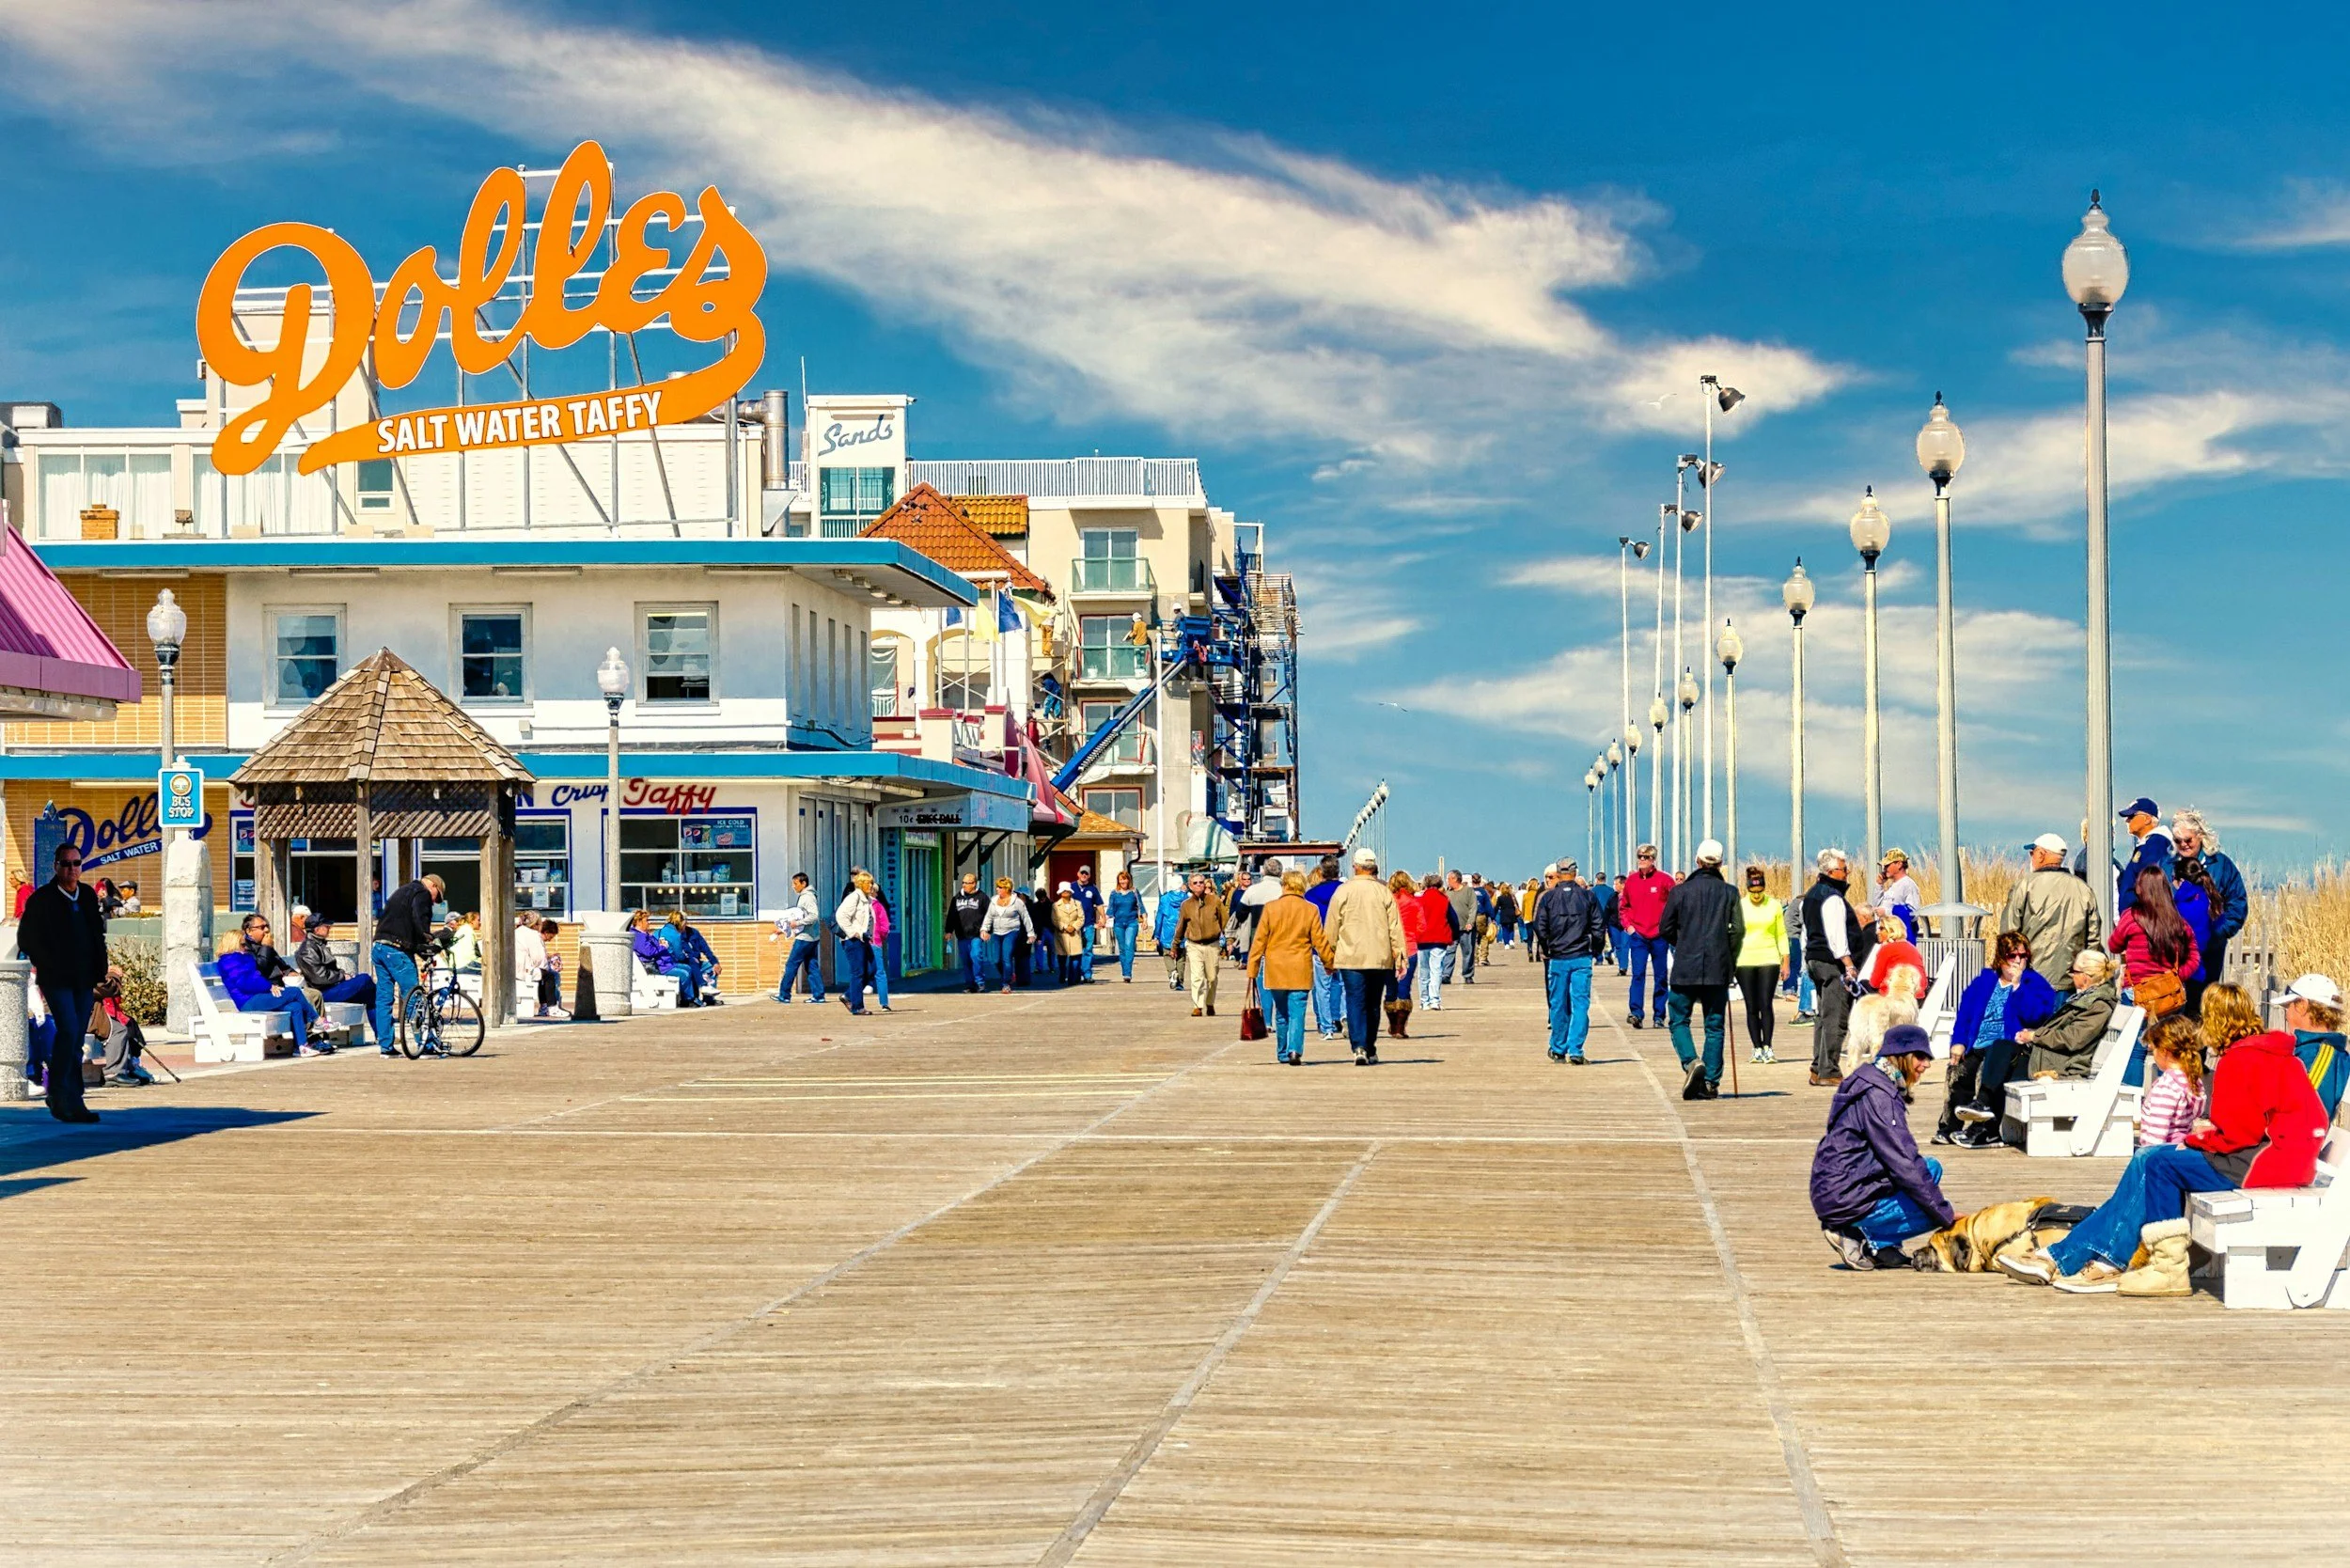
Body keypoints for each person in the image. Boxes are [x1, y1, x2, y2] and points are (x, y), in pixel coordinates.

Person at [2003, 1006, 2326, 1294]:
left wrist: (2195, 1141)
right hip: (2281, 1160)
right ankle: (2090, 1258)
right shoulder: (2276, 1056)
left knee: (2156, 1163)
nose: (2205, 1035)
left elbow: (2239, 1134)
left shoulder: (2242, 1060)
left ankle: (2160, 1267)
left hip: (2264, 1165)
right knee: (2153, 1161)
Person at [1810, 1023, 1957, 1269]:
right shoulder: (1880, 1096)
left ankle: (1881, 1245)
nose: (1927, 1064)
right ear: (1900, 1057)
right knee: (1928, 1201)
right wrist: (1945, 1214)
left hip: (1833, 1186)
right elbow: (1904, 1162)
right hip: (1843, 1198)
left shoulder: (1866, 1077)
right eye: (1920, 1057)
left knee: (1930, 1169)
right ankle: (1850, 1234)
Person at [1936, 932, 2060, 1148]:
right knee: (1960, 1069)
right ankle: (1949, 1128)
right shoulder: (1984, 981)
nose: (2019, 961)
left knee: (1992, 1063)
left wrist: (2018, 986)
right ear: (2001, 958)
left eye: (2024, 955)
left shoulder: (2035, 983)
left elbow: (2037, 1015)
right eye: (2013, 956)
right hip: (1979, 1042)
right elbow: (1965, 1014)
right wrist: (1958, 1041)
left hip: (2010, 1047)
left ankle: (1984, 1128)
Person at [1661, 839, 1740, 1099]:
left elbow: (1665, 928)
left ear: (1697, 861)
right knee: (1714, 1025)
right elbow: (1738, 931)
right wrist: (1730, 959)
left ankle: (1691, 1061)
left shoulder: (1680, 892)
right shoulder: (1729, 892)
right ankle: (1710, 1083)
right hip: (1718, 967)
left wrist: (1681, 944)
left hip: (1686, 965)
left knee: (1679, 1019)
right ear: (1719, 864)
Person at [1325, 848, 1409, 1066]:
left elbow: (1332, 926)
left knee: (1354, 1001)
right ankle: (1370, 1046)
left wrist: (1328, 955)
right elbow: (1395, 927)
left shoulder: (1343, 891)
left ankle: (1359, 1046)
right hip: (1379, 957)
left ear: (1355, 866)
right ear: (1373, 868)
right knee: (1373, 1003)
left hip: (1350, 956)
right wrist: (1400, 957)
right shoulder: (1384, 892)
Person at [1247, 870, 1338, 1065]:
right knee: (1298, 1011)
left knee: (1281, 1013)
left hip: (1276, 968)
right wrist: (1329, 963)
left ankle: (1282, 1052)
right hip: (1300, 968)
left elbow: (1259, 940)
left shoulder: (1271, 908)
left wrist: (1252, 968)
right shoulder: (1310, 909)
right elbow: (1320, 941)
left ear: (1285, 885)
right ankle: (1295, 1050)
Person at [1998, 833, 2102, 990]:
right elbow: (2093, 938)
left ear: (2041, 855)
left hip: (2031, 980)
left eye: (2032, 853)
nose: (2031, 857)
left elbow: (2009, 934)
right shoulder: (2083, 888)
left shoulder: (2024, 885)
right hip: (2070, 982)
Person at [1801, 849, 1868, 1087]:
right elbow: (1836, 936)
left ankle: (1818, 1067)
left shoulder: (1811, 895)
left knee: (1823, 1015)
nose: (1847, 873)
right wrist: (1848, 964)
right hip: (1832, 963)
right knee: (1835, 1017)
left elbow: (1806, 932)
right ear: (1831, 872)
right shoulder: (1832, 898)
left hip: (1814, 959)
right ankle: (1829, 1069)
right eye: (1844, 869)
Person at [220, 913, 328, 1056]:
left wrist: (283, 977)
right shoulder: (230, 960)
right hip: (248, 1000)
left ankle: (301, 1046)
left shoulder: (243, 957)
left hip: (260, 994)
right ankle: (317, 1020)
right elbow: (245, 982)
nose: (245, 947)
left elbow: (260, 974)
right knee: (295, 992)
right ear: (233, 944)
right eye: (242, 944)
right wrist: (269, 986)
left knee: (295, 1006)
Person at [2170, 809, 2247, 1008]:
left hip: (2208, 951)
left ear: (2200, 836)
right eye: (2178, 841)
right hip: (2173, 952)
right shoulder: (2167, 865)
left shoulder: (2221, 865)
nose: (2184, 845)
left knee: (2205, 1004)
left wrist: (2217, 934)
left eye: (2188, 839)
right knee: (2174, 1007)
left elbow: (2237, 904)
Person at [1531, 860, 1602, 1064]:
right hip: (1581, 956)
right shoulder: (1588, 896)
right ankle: (1576, 1049)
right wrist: (1595, 950)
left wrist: (1547, 947)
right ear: (1574, 872)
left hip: (1559, 957)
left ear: (1559, 874)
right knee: (1580, 1004)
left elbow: (1539, 925)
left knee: (1558, 1003)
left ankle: (1558, 1047)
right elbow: (1598, 926)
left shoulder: (1549, 897)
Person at [2021, 949, 2121, 1079]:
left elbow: (2072, 1039)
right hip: (2055, 1062)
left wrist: (2034, 1035)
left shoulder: (2098, 1005)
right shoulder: (2087, 999)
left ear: (2085, 976)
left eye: (2074, 971)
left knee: (2007, 1056)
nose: (2071, 975)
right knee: (2007, 1049)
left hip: (2064, 1070)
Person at [373, 871, 443, 1057]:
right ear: (434, 886)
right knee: (414, 995)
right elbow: (419, 919)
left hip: (379, 947)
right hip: (397, 950)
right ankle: (424, 1044)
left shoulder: (401, 891)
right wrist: (428, 940)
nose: (434, 902)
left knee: (384, 999)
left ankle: (386, 1047)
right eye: (437, 898)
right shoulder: (422, 893)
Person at [2106, 866, 2199, 995]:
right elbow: (2194, 957)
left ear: (2140, 889)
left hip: (2136, 992)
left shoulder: (2130, 916)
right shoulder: (2178, 922)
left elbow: (2113, 946)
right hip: (2169, 993)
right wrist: (2177, 977)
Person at [1734, 867, 1790, 1066]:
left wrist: (1786, 961)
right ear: (1747, 889)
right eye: (1753, 892)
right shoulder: (1739, 906)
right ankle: (1756, 1047)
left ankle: (1768, 1046)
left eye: (1760, 892)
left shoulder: (1774, 905)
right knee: (1752, 1006)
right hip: (1744, 960)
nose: (1756, 896)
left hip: (1769, 958)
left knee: (1765, 1004)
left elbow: (1781, 934)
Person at [2279, 973, 2350, 1121]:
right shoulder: (2314, 1051)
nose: (2287, 1014)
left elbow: (2305, 1116)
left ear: (2302, 1006)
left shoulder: (2320, 1057)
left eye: (2289, 1006)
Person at [297, 913, 379, 1037]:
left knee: (370, 994)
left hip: (332, 987)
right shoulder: (308, 949)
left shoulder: (318, 945)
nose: (329, 929)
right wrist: (342, 976)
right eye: (326, 926)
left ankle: (383, 1034)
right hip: (322, 993)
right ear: (317, 929)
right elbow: (319, 977)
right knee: (364, 980)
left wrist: (343, 975)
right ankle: (382, 1033)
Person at [1621, 844, 1674, 1029]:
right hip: (1638, 936)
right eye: (1640, 856)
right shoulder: (1631, 881)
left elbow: (1674, 905)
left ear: (1653, 860)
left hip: (1659, 935)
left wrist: (1668, 928)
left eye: (1646, 857)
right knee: (1638, 974)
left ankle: (1659, 1015)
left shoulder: (1665, 881)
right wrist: (1628, 927)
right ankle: (1636, 1012)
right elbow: (1624, 907)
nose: (1642, 860)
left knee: (1660, 976)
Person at [2135, 1015, 2208, 1148]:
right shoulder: (2193, 1080)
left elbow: (2156, 1133)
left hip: (2161, 1155)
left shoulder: (2167, 1086)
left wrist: (2146, 1157)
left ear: (2164, 1051)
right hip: (2180, 1148)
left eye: (2154, 1049)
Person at [1304, 856, 1346, 1042]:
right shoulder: (1346, 892)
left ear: (1321, 873)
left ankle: (1326, 1027)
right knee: (1345, 985)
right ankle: (1344, 1016)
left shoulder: (1310, 895)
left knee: (1322, 988)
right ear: (1338, 872)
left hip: (1319, 946)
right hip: (1345, 944)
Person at [1176, 871, 1228, 1017]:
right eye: (1195, 883)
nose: (1199, 885)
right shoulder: (1186, 905)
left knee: (1212, 977)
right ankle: (1197, 1006)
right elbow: (1181, 926)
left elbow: (1225, 920)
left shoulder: (1215, 901)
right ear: (1190, 886)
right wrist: (1175, 945)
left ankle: (1210, 1003)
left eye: (1201, 882)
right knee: (1197, 976)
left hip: (1212, 944)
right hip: (1194, 944)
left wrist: (1228, 940)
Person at [94, 965, 151, 1087]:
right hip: (83, 1014)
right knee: (118, 1030)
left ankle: (131, 1067)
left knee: (129, 1024)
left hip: (82, 1011)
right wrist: (113, 975)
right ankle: (114, 1072)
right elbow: (107, 988)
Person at [2114, 795, 2172, 915]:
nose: (2127, 821)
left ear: (2147, 819)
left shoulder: (2156, 844)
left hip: (2145, 919)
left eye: (2132, 816)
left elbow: (2152, 883)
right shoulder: (2148, 844)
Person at [775, 871, 826, 1003]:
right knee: (811, 965)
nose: (793, 886)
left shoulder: (807, 897)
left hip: (804, 938)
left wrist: (797, 923)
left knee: (791, 964)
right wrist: (784, 929)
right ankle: (819, 995)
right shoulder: (806, 896)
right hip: (811, 937)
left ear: (804, 883)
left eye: (795, 883)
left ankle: (784, 994)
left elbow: (814, 916)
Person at [1387, 870, 1425, 1038]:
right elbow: (1422, 927)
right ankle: (1400, 1028)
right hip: (1409, 949)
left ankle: (1392, 1024)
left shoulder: (1388, 902)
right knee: (1404, 988)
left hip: (1389, 950)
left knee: (1390, 989)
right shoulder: (1414, 903)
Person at [980, 876, 1034, 994]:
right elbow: (989, 916)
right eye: (997, 887)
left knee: (1006, 958)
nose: (997, 889)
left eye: (1000, 887)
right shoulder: (994, 900)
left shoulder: (1017, 902)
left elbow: (1026, 917)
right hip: (997, 932)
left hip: (1012, 931)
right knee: (996, 960)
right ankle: (1009, 974)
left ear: (1007, 888)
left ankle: (1006, 984)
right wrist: (984, 929)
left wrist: (1031, 933)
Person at [835, 871, 878, 1015]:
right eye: (868, 883)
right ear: (861, 884)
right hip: (853, 941)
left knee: (871, 969)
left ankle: (848, 995)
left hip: (864, 940)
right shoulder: (854, 897)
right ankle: (857, 1006)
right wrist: (853, 932)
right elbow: (841, 915)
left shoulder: (867, 899)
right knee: (858, 972)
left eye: (872, 883)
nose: (871, 886)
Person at [1414, 873, 1458, 1011]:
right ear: (1440, 885)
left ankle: (1424, 1000)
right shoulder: (1444, 900)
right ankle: (1435, 1000)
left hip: (1422, 939)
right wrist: (1454, 935)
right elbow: (1453, 919)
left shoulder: (1419, 900)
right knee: (1436, 970)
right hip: (1439, 938)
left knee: (1424, 971)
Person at [1861, 914, 1928, 1002]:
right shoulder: (1912, 948)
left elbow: (1874, 983)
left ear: (1892, 931)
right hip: (1917, 998)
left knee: (1862, 985)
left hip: (1895, 999)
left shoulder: (1887, 949)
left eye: (1881, 928)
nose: (1877, 932)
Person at [947, 871, 989, 994]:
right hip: (962, 935)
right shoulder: (957, 898)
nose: (964, 885)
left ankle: (980, 982)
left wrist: (987, 930)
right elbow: (951, 915)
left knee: (976, 957)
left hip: (976, 934)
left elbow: (989, 915)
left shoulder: (982, 897)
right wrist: (949, 931)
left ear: (974, 884)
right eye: (963, 882)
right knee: (966, 960)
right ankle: (970, 984)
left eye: (967, 883)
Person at [1873, 849, 1922, 940]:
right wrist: (1879, 885)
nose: (1884, 869)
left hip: (1900, 938)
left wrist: (1887, 912)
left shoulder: (1908, 885)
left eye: (1887, 865)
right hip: (1887, 937)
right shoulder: (1892, 886)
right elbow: (1877, 904)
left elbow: (1913, 914)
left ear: (1899, 864)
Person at [1152, 878, 1190, 993]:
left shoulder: (1164, 899)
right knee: (1181, 957)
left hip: (1167, 930)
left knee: (1167, 954)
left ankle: (1172, 972)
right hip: (1182, 929)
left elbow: (1159, 917)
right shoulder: (1187, 898)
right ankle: (1180, 982)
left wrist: (1157, 934)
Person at [1071, 864, 1104, 982]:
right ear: (1078, 874)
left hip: (1089, 924)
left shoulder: (1093, 889)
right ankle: (1074, 974)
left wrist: (1103, 918)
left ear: (1089, 875)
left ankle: (1087, 974)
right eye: (1082, 873)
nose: (1084, 875)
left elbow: (1099, 904)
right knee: (1075, 950)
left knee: (1088, 949)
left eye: (1086, 873)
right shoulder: (1071, 887)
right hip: (1074, 925)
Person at [1107, 870, 1142, 983]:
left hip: (1132, 922)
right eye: (1121, 879)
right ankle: (1125, 972)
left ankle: (1128, 973)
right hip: (1118, 924)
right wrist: (1104, 920)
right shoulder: (1114, 893)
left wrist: (1145, 920)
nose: (1123, 881)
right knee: (1122, 949)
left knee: (1129, 946)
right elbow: (1110, 909)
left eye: (1125, 879)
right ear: (1118, 881)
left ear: (1129, 880)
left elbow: (1141, 906)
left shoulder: (1134, 892)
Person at [1446, 870, 1480, 986]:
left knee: (1468, 952)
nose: (1447, 882)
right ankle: (1446, 975)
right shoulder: (1447, 893)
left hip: (1466, 928)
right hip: (1451, 929)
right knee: (1449, 952)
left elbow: (1473, 907)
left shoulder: (1468, 891)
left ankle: (1468, 975)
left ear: (1455, 879)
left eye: (1449, 879)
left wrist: (1471, 922)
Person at [1025, 880, 1058, 987]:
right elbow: (1034, 920)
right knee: (1040, 949)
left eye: (1043, 897)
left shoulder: (1051, 905)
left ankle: (1051, 967)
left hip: (1049, 930)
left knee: (1051, 949)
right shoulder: (1039, 906)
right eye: (1040, 898)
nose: (1042, 899)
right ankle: (1040, 967)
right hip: (1041, 930)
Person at [1052, 882, 1087, 984]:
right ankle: (1063, 974)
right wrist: (1065, 927)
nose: (1065, 892)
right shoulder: (1055, 905)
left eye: (1067, 890)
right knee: (1062, 958)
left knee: (1075, 958)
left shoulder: (1077, 903)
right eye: (1063, 890)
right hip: (1061, 935)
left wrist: (1074, 927)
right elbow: (1054, 920)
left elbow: (1081, 918)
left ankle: (1073, 978)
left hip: (1074, 934)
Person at [866, 888, 893, 1012]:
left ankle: (855, 1001)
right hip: (875, 942)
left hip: (862, 942)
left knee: (859, 972)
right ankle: (884, 1003)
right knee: (880, 972)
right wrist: (879, 938)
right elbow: (885, 927)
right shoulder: (878, 906)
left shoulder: (862, 904)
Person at [1592, 874, 1622, 974]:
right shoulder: (1611, 891)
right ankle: (1609, 952)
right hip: (1611, 917)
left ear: (1596, 879)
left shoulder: (1592, 891)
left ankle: (1599, 958)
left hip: (1597, 918)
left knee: (1597, 938)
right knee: (1612, 937)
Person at [1493, 879, 1519, 949]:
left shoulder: (1500, 898)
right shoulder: (1512, 897)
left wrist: (1493, 916)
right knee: (1511, 928)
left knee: (1504, 929)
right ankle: (1511, 940)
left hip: (1504, 914)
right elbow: (1517, 905)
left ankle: (1506, 944)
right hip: (1512, 914)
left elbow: (1497, 907)